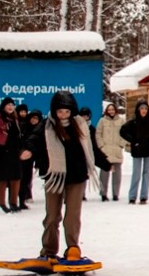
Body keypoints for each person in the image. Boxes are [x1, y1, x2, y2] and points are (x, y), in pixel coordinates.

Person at [19, 91, 97, 261]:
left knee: (72, 216)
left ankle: (73, 248)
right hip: (54, 176)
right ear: (54, 111)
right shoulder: (47, 125)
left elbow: (92, 147)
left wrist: (104, 162)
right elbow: (34, 139)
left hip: (76, 177)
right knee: (52, 216)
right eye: (60, 111)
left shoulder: (80, 125)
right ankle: (48, 250)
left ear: (72, 111)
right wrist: (29, 150)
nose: (63, 115)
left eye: (66, 111)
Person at [119, 100, 149, 205]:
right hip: (137, 150)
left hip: (148, 150)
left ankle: (144, 196)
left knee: (146, 173)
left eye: (145, 109)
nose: (143, 111)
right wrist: (133, 140)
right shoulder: (133, 122)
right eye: (142, 109)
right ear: (138, 110)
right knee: (136, 173)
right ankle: (132, 197)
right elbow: (122, 131)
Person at [0, 96, 24, 213]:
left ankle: (14, 202)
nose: (10, 107)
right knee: (3, 178)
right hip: (2, 152)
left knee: (16, 177)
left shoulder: (15, 119)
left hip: (14, 152)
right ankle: (1, 203)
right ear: (3, 106)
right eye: (8, 105)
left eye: (12, 105)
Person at [96, 103, 127, 201]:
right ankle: (103, 194)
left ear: (115, 110)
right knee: (104, 174)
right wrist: (101, 145)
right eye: (109, 110)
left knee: (117, 175)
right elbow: (98, 133)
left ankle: (115, 194)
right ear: (106, 111)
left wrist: (121, 145)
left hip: (117, 150)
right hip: (106, 151)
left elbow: (125, 133)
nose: (111, 111)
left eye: (112, 109)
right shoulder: (102, 121)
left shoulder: (121, 121)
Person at [79, 107, 111, 199]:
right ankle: (79, 194)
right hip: (78, 154)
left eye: (86, 116)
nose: (85, 118)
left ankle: (82, 194)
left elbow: (94, 144)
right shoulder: (76, 127)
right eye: (83, 116)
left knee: (85, 173)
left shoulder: (92, 129)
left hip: (88, 153)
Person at [19, 109, 43, 205]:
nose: (34, 120)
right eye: (32, 118)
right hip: (24, 155)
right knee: (23, 176)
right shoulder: (23, 127)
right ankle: (23, 195)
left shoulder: (41, 130)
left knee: (28, 177)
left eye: (36, 119)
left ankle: (27, 194)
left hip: (34, 156)